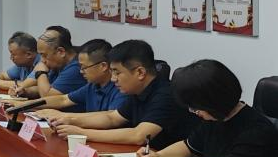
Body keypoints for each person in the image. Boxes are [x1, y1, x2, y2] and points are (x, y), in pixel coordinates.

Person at [136, 60, 278, 157]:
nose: (194, 111)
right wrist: (157, 156)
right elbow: (188, 146)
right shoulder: (215, 118)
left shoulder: (257, 129)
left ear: (213, 101)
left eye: (195, 107)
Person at [49, 40, 196, 148]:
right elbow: (112, 118)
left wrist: (82, 133)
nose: (113, 79)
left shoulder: (166, 95)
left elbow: (139, 136)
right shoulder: (138, 91)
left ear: (140, 72)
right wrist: (70, 120)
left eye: (117, 72)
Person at [23, 39, 126, 116]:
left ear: (103, 66)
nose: (81, 71)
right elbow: (63, 100)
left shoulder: (120, 88)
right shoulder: (92, 86)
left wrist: (64, 116)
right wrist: (22, 105)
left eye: (84, 67)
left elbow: (110, 118)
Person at [11, 26, 83, 98]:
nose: (42, 60)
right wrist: (25, 91)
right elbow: (46, 88)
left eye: (44, 55)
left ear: (61, 52)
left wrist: (40, 72)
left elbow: (47, 96)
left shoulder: (76, 68)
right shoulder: (58, 64)